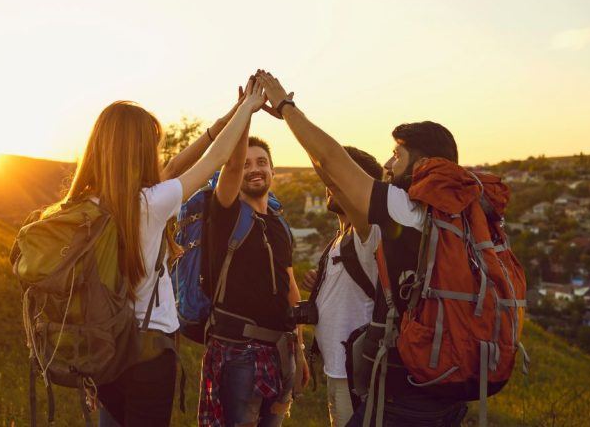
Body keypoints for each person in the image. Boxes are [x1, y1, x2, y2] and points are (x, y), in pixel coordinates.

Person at [255, 70, 467, 426]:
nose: (387, 164)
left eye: (398, 155)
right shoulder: (439, 215)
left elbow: (333, 165)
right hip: (420, 379)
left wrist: (287, 108)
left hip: (387, 379)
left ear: (424, 164)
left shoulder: (404, 211)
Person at [55, 77, 266, 427]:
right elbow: (214, 160)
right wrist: (248, 109)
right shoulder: (149, 204)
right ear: (138, 150)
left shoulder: (83, 205)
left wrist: (229, 117)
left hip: (104, 345)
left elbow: (176, 167)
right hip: (148, 350)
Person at [198, 131, 310, 426]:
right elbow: (231, 168)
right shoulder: (226, 214)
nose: (254, 169)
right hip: (239, 353)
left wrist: (299, 349)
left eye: (261, 162)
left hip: (281, 352)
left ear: (273, 170)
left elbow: (290, 286)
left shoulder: (278, 222)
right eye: (245, 165)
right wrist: (247, 109)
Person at [301, 147, 383, 427]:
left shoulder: (368, 233)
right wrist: (321, 285)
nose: (329, 185)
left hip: (355, 376)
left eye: (338, 179)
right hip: (337, 369)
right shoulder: (341, 238)